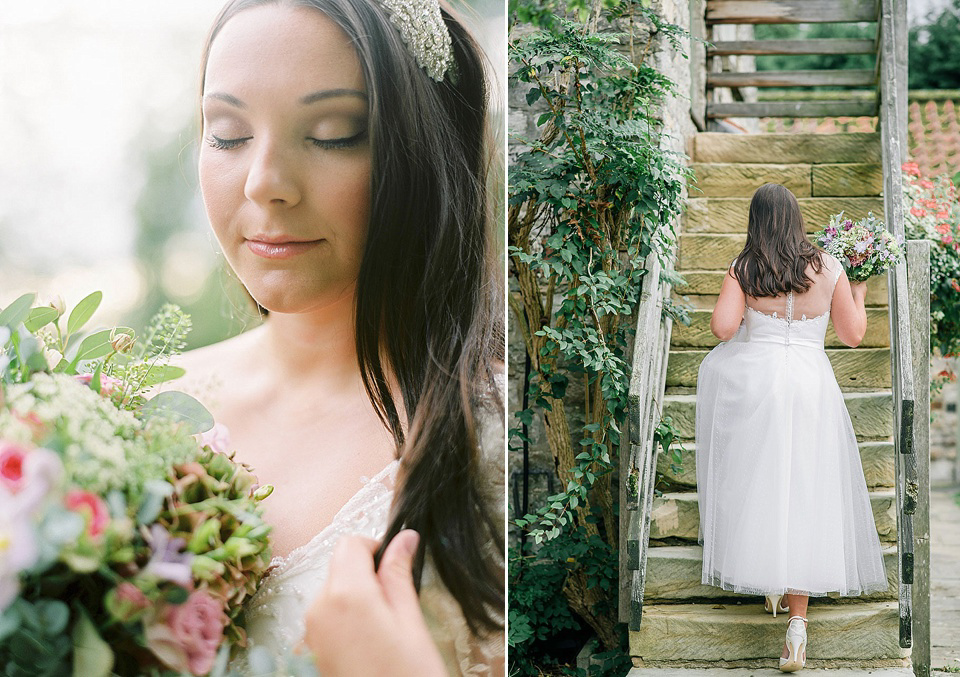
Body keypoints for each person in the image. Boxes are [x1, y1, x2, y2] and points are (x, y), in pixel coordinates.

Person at [172, 0, 505, 673]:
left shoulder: (496, 442)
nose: (265, 183)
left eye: (331, 133)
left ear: (422, 152)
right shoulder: (123, 407)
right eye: (229, 134)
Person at [695, 183, 887, 672]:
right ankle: (798, 628)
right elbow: (853, 335)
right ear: (798, 218)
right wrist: (859, 289)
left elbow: (720, 329)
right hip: (810, 388)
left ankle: (770, 580)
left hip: (756, 390)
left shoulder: (745, 267)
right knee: (806, 493)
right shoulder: (828, 267)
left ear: (756, 220)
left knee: (759, 482)